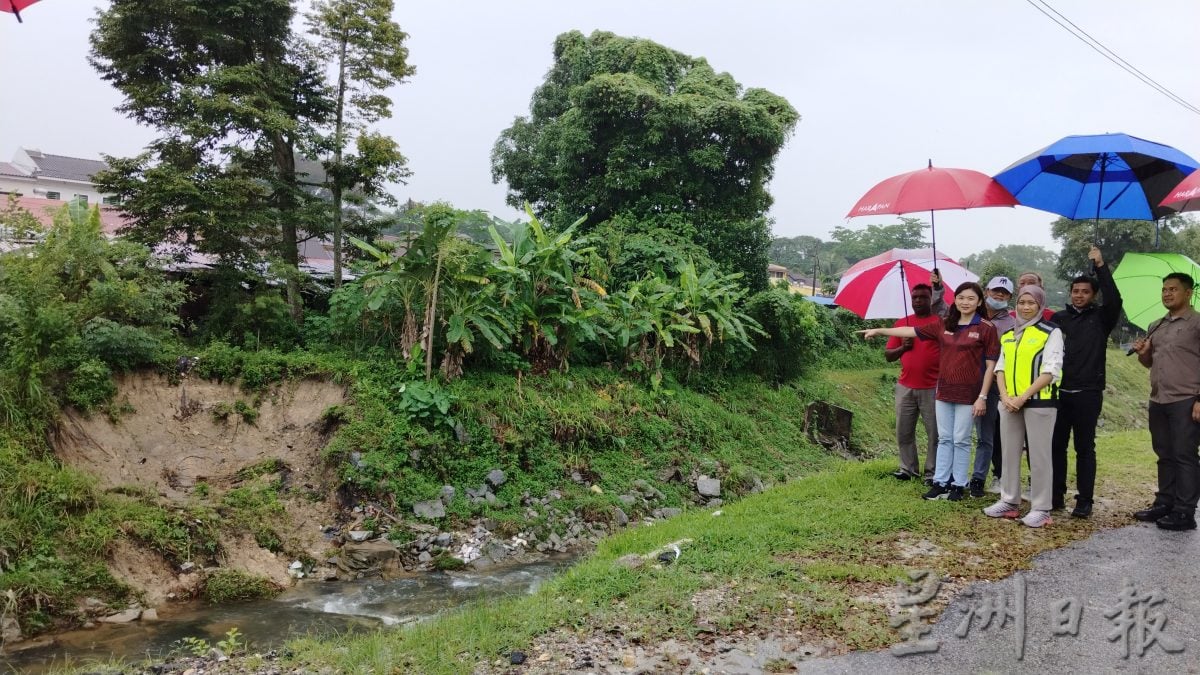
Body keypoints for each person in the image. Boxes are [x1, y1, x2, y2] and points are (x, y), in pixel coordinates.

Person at [860, 281, 999, 501]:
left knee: (961, 439)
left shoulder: (985, 328)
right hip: (943, 391)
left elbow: (991, 365)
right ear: (955, 300)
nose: (965, 302)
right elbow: (911, 331)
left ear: (979, 301)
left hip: (968, 393)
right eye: (961, 297)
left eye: (971, 298)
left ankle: (958, 485)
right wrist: (879, 330)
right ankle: (940, 482)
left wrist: (982, 397)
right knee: (944, 438)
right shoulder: (944, 324)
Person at [1050, 246, 1123, 517]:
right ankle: (1056, 495)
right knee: (1057, 445)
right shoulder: (1059, 319)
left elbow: (1115, 299)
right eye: (1075, 291)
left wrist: (1101, 265)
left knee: (1084, 448)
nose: (1079, 295)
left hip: (1088, 393)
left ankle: (1085, 501)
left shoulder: (1102, 318)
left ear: (1093, 295)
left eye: (1085, 291)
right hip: (1059, 393)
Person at [982, 286, 1063, 528]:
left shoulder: (1051, 332)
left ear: (1040, 305)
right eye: (1022, 302)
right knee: (1009, 453)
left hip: (1040, 402)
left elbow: (1051, 370)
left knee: (1039, 456)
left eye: (1031, 303)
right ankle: (1009, 501)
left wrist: (1023, 397)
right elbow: (1000, 368)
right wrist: (1006, 397)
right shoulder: (1008, 333)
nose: (1026, 307)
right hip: (1009, 403)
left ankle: (1041, 508)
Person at [1130, 272, 1200, 532]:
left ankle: (1185, 511)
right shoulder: (1156, 325)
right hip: (1158, 398)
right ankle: (1165, 502)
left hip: (1186, 398)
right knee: (1164, 454)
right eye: (1164, 289)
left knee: (1185, 455)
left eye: (1173, 289)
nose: (1167, 294)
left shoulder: (1196, 323)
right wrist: (1144, 354)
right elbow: (1149, 363)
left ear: (1188, 293)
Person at [884, 283, 942, 482]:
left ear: (931, 298)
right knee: (904, 430)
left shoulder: (939, 322)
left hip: (933, 386)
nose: (918, 300)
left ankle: (932, 472)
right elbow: (888, 355)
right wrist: (903, 348)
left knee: (934, 433)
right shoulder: (902, 324)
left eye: (923, 297)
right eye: (915, 297)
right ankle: (908, 468)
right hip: (905, 386)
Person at [970, 277, 1016, 498]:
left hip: (995, 385)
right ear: (986, 291)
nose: (999, 296)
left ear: (1009, 297)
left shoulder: (1012, 325)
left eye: (1004, 293)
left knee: (986, 435)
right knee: (955, 434)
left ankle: (979, 478)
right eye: (995, 291)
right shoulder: (971, 315)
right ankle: (950, 476)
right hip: (964, 381)